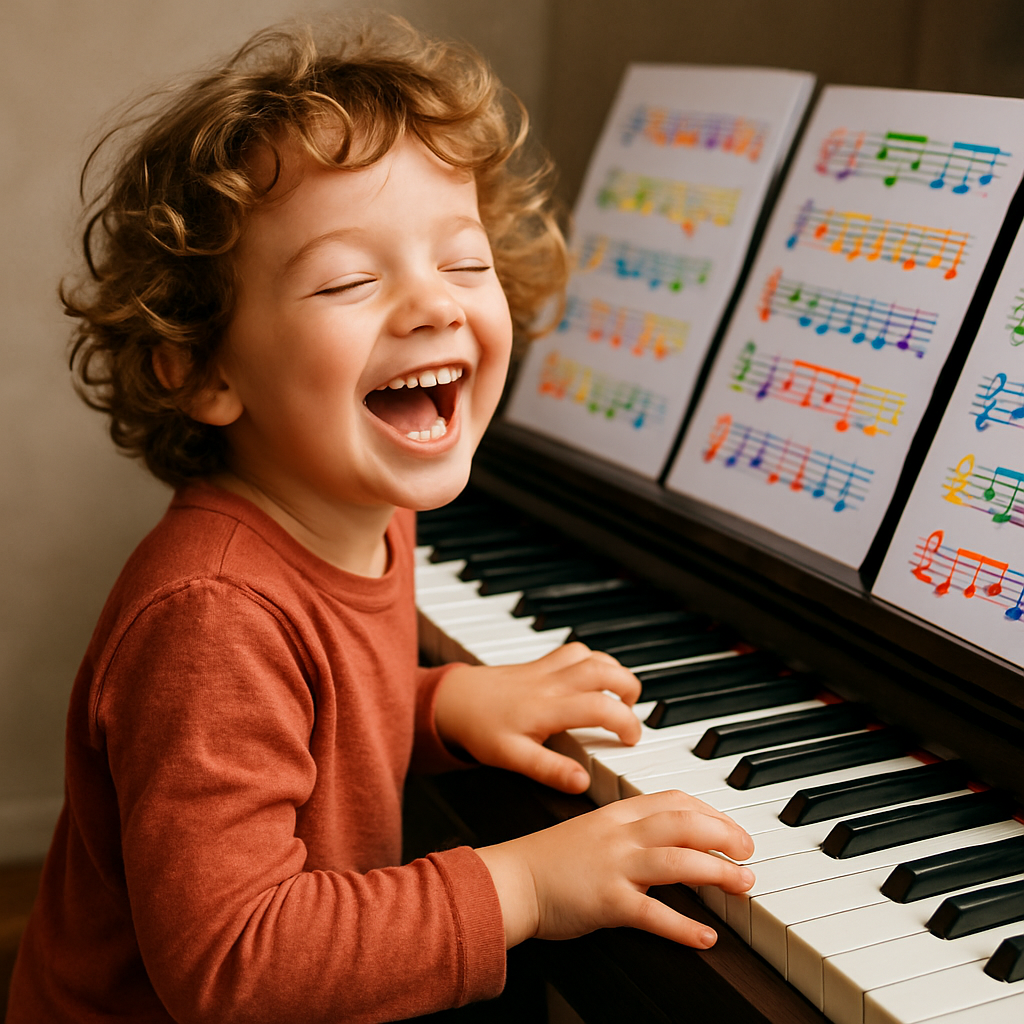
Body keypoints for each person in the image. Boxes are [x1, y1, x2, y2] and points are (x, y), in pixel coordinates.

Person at [6, 17, 755, 1024]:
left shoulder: (366, 511)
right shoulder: (210, 616)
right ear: (199, 365)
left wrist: (435, 706)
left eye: (464, 264)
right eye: (351, 280)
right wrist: (523, 887)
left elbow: (306, 730)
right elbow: (235, 961)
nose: (432, 307)